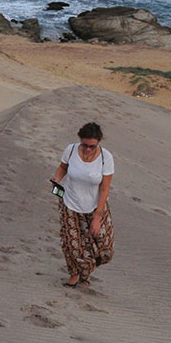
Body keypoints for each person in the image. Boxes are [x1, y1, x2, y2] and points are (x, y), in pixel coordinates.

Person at [51, 122, 114, 288]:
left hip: (95, 207)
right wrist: (56, 180)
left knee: (105, 249)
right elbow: (63, 167)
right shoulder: (71, 150)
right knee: (73, 245)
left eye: (92, 146)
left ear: (98, 142)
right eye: (84, 145)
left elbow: (105, 187)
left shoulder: (105, 158)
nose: (87, 149)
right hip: (70, 203)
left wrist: (97, 216)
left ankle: (85, 271)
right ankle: (75, 274)